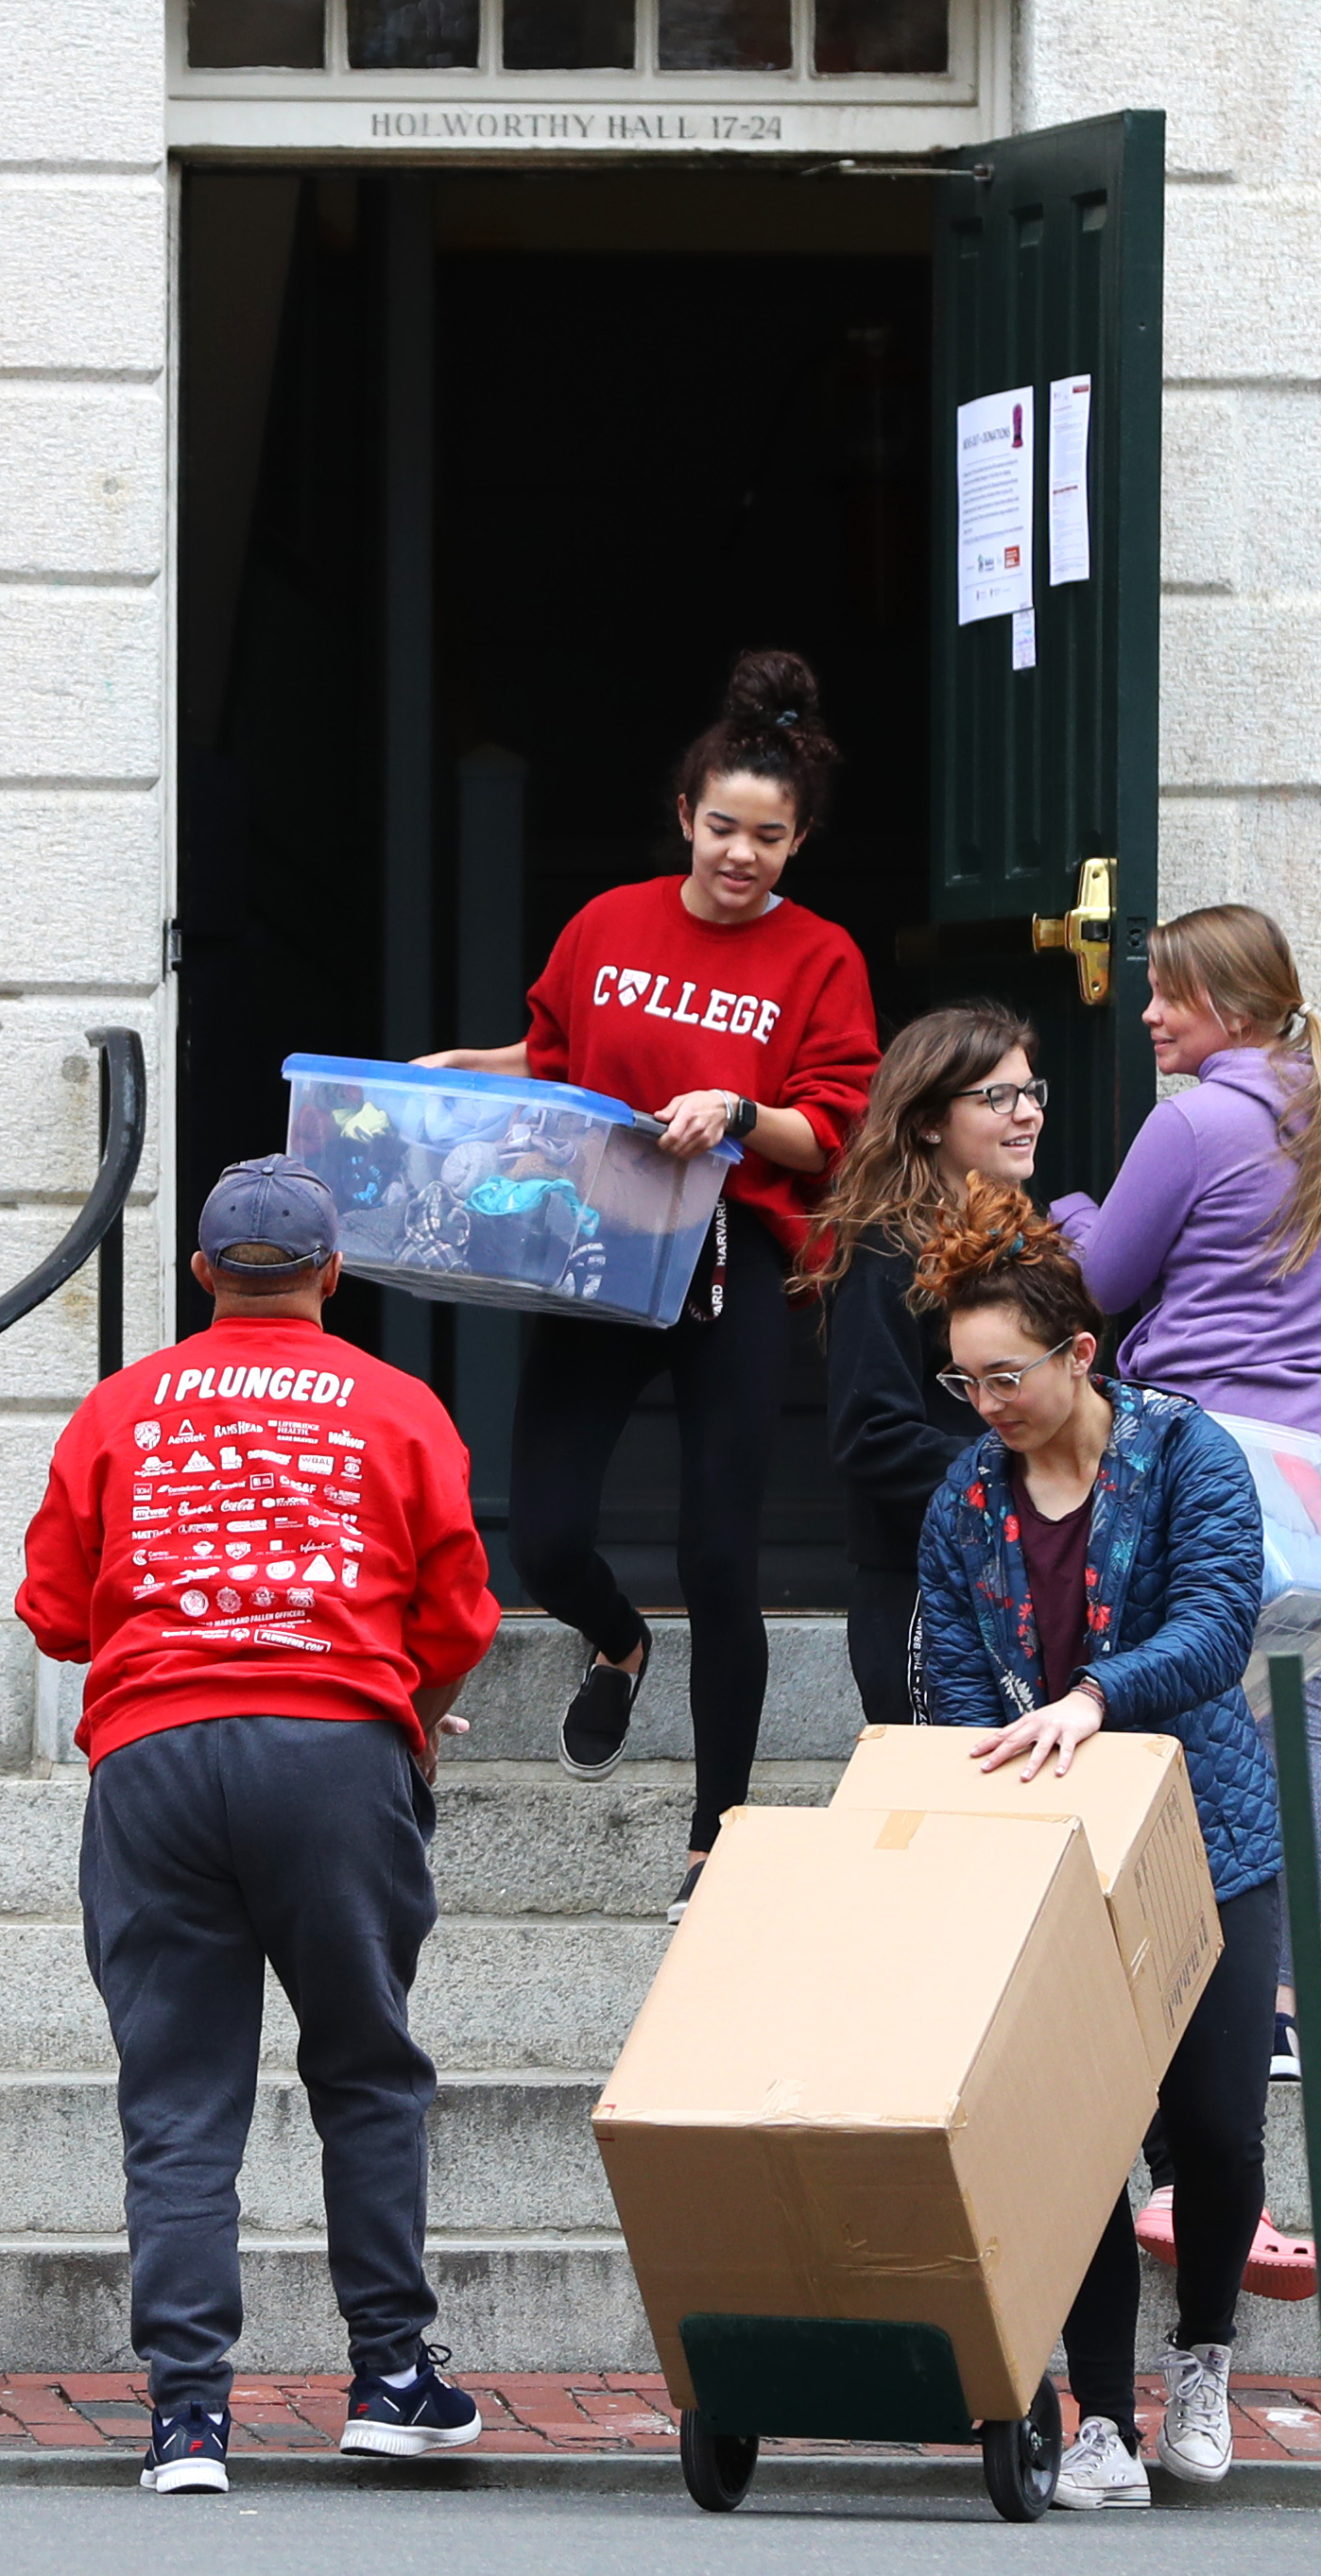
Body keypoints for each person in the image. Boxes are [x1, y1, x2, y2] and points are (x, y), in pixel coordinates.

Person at [14, 1157, 505, 2497]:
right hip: (333, 1752)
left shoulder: (120, 1407)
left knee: (177, 2096)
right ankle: (392, 2376)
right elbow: (460, 1616)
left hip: (154, 1754)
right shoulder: (394, 1405)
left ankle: (186, 2418)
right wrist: (408, 1704)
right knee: (361, 2066)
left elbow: (56, 1611)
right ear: (331, 1275)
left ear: (201, 1273)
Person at [415, 648, 878, 1898]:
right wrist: (455, 1072)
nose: (739, 853)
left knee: (720, 1559)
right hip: (595, 1251)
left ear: (797, 842)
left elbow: (832, 1124)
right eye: (720, 825)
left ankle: (711, 1832)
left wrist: (736, 1105)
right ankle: (615, 1646)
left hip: (727, 1273)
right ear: (683, 814)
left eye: (767, 837)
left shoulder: (820, 957)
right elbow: (557, 1058)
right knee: (550, 1535)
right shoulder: (605, 924)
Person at [912, 1180, 1280, 2505]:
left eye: (1003, 1375)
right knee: (1074, 2139)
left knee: (1218, 2134)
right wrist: (981, 1770)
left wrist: (1087, 1697)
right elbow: (949, 1675)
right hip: (1046, 1849)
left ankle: (1204, 2352)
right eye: (964, 1383)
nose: (986, 1404)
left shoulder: (1188, 1454)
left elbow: (1213, 1626)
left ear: (1077, 1354)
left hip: (1204, 1838)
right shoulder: (964, 1497)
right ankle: (1098, 2413)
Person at [1054, 902, 1321, 2078]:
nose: (1151, 1013)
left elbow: (1106, 1279)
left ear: (1227, 1002)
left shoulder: (1194, 1126)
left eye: (1168, 993)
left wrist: (1072, 1211)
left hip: (1227, 1464)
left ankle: (1180, 1988)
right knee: (1296, 1728)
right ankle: (1279, 2003)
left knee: (1174, 1718)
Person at [800, 1001, 1049, 1725]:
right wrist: (1024, 1475)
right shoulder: (883, 1255)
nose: (1025, 1113)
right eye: (996, 1097)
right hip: (921, 1588)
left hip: (1024, 1580)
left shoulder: (1025, 1245)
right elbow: (871, 1437)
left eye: (1031, 1092)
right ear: (929, 1120)